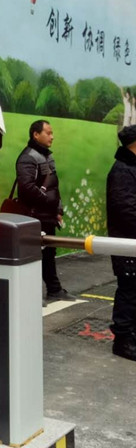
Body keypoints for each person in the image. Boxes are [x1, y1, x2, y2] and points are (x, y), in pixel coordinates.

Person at [15, 120, 76, 303]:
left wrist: (57, 209)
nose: (52, 136)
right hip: (33, 216)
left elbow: (53, 186)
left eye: (52, 133)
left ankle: (54, 290)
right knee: (32, 256)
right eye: (48, 133)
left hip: (47, 216)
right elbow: (26, 188)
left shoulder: (47, 157)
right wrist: (49, 203)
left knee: (49, 254)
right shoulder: (28, 157)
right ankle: (31, 295)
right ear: (36, 134)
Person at [106, 124, 136, 361]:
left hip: (131, 242)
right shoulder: (122, 171)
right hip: (126, 243)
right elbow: (126, 210)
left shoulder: (130, 168)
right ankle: (122, 341)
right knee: (128, 290)